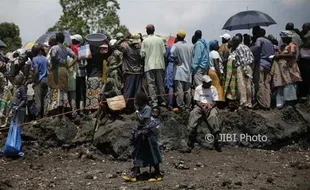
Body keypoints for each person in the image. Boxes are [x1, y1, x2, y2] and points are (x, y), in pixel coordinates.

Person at [123, 92, 162, 182]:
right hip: (141, 135)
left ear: (141, 100)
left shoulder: (147, 109)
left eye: (137, 100)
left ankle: (157, 173)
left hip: (148, 136)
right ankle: (134, 174)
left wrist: (136, 112)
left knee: (153, 154)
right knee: (138, 154)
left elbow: (142, 121)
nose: (136, 102)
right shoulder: (142, 109)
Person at [46, 32, 77, 119]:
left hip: (55, 70)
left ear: (56, 39)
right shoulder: (67, 49)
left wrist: (52, 63)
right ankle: (62, 114)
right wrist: (68, 66)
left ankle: (55, 115)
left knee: (55, 90)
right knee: (63, 91)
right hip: (64, 70)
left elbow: (52, 57)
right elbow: (76, 57)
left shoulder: (54, 48)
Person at [186, 75, 221, 152]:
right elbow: (196, 101)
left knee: (212, 116)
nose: (209, 84)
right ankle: (189, 134)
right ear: (203, 83)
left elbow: (216, 101)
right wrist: (202, 107)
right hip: (200, 105)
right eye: (208, 83)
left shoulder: (213, 88)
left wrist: (210, 106)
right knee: (194, 113)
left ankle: (217, 137)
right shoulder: (198, 88)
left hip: (211, 105)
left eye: (210, 82)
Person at [270, 31, 302, 108]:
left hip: (289, 68)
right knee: (284, 84)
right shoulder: (286, 46)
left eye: (283, 38)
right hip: (285, 69)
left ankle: (290, 102)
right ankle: (284, 102)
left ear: (288, 38)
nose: (282, 39)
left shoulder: (292, 45)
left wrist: (280, 56)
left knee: (289, 84)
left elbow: (291, 55)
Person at [115, 33, 144, 111]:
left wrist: (123, 38)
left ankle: (124, 108)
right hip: (138, 73)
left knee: (128, 91)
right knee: (137, 92)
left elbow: (116, 45)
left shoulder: (127, 48)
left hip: (129, 73)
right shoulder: (140, 49)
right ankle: (136, 107)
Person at [141, 24, 167, 107]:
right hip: (159, 65)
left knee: (151, 85)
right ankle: (163, 101)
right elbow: (164, 52)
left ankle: (154, 102)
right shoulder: (160, 40)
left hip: (149, 65)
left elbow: (142, 54)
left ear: (147, 31)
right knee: (160, 84)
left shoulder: (145, 41)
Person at [252, 28, 274, 108]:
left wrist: (255, 55)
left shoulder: (259, 39)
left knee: (260, 83)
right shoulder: (269, 42)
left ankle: (262, 102)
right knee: (267, 83)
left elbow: (257, 47)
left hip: (261, 63)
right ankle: (268, 102)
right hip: (269, 64)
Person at [171, 30, 193, 112]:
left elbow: (171, 53)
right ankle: (188, 106)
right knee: (187, 90)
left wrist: (176, 59)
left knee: (179, 90)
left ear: (177, 36)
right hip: (188, 71)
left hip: (179, 71)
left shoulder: (176, 45)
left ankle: (180, 106)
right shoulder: (189, 46)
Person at [231, 36, 254, 108]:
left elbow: (242, 60)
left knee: (242, 85)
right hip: (248, 66)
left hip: (242, 68)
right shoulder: (247, 47)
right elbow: (252, 58)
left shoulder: (238, 48)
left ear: (236, 42)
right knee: (248, 86)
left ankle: (243, 103)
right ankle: (249, 103)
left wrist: (244, 71)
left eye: (233, 42)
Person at [31, 45, 48, 119]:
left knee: (38, 100)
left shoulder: (35, 59)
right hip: (46, 80)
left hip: (39, 80)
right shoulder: (45, 58)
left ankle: (38, 117)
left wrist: (34, 80)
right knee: (45, 99)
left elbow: (36, 71)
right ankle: (45, 116)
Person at [298, 23, 310, 100]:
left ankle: (305, 93)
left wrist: (300, 33)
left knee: (306, 76)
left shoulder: (307, 34)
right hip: (303, 58)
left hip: (307, 59)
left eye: (304, 28)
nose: (303, 29)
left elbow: (305, 39)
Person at [164, 39, 176, 110]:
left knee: (170, 85)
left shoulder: (170, 47)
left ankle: (170, 104)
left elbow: (166, 56)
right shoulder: (181, 48)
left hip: (171, 66)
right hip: (178, 66)